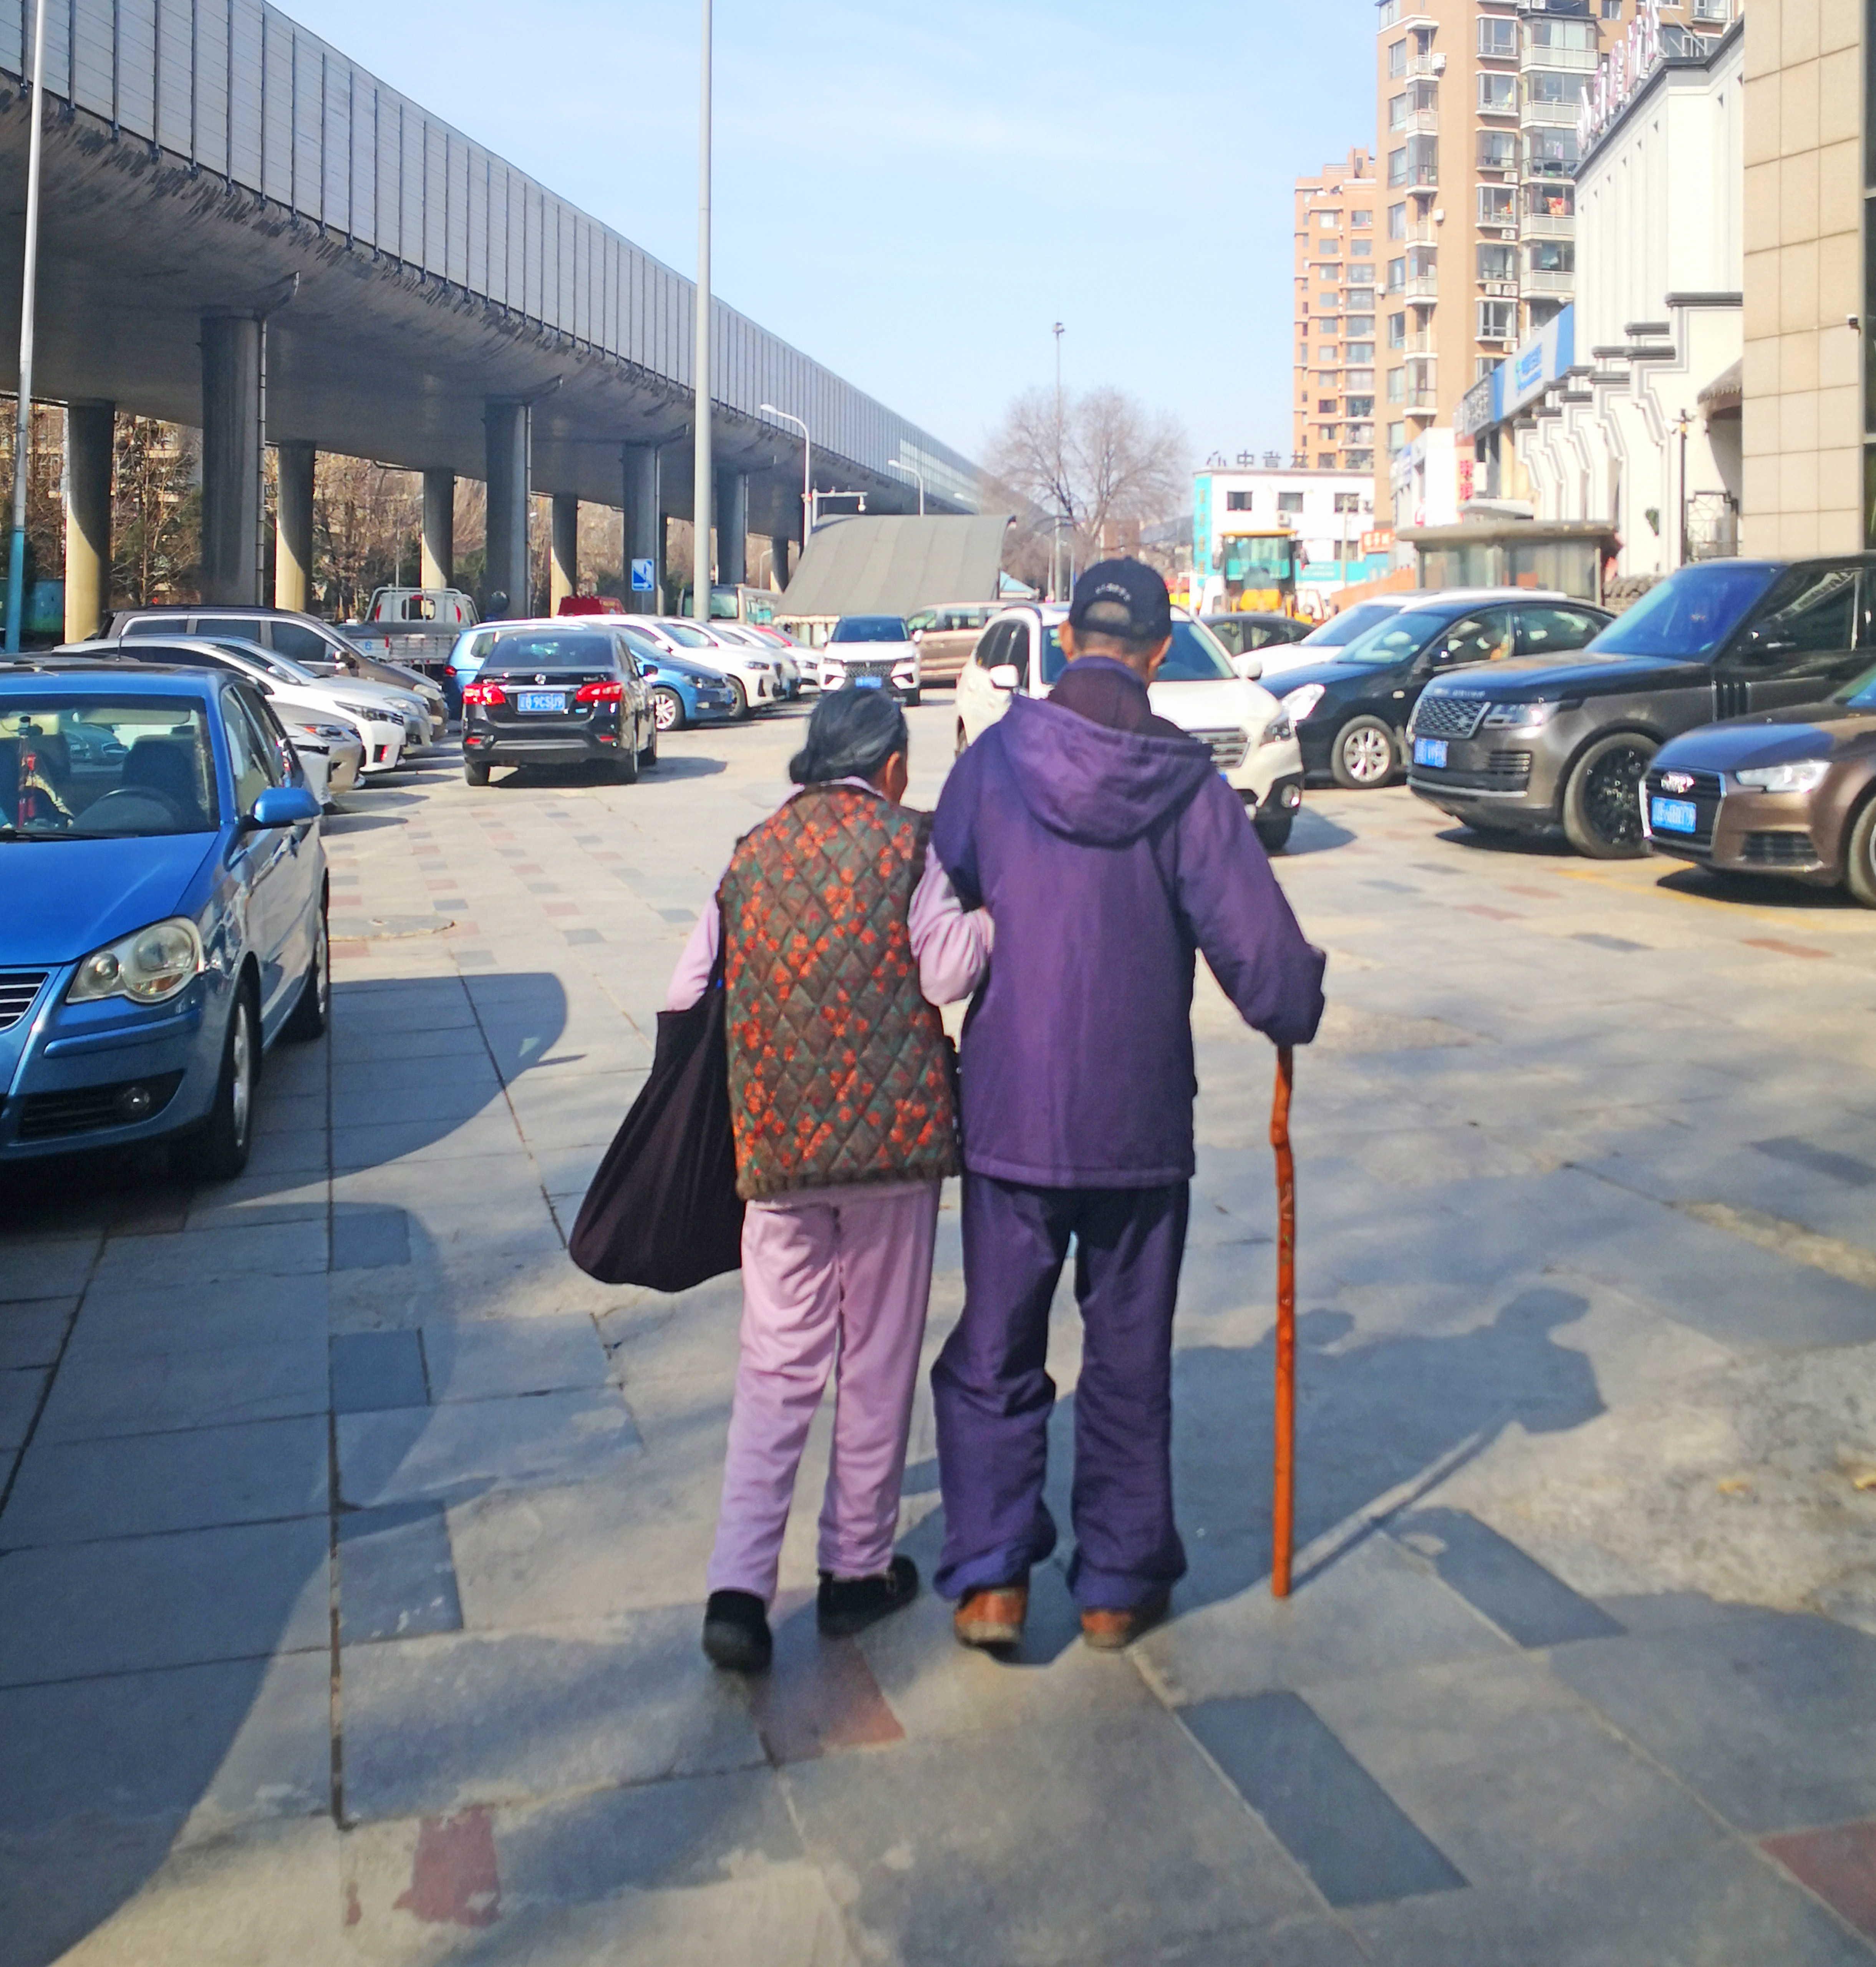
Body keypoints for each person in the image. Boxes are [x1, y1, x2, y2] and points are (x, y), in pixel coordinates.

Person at [928, 559, 1326, 1652]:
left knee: (995, 1346)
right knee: (1128, 1352)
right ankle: (1113, 1583)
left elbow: (939, 893)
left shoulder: (994, 762)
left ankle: (992, 1580)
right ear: (1156, 653)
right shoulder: (1187, 787)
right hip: (1139, 1119)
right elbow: (1267, 969)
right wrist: (1296, 999)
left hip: (1011, 1110)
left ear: (1065, 639)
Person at [666, 687, 991, 1673]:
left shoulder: (752, 853)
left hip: (777, 1153)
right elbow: (945, 975)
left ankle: (738, 1589)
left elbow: (685, 991)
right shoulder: (912, 847)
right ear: (890, 765)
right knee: (878, 1357)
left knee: (776, 1362)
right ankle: (855, 1568)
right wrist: (993, 921)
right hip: (893, 1154)